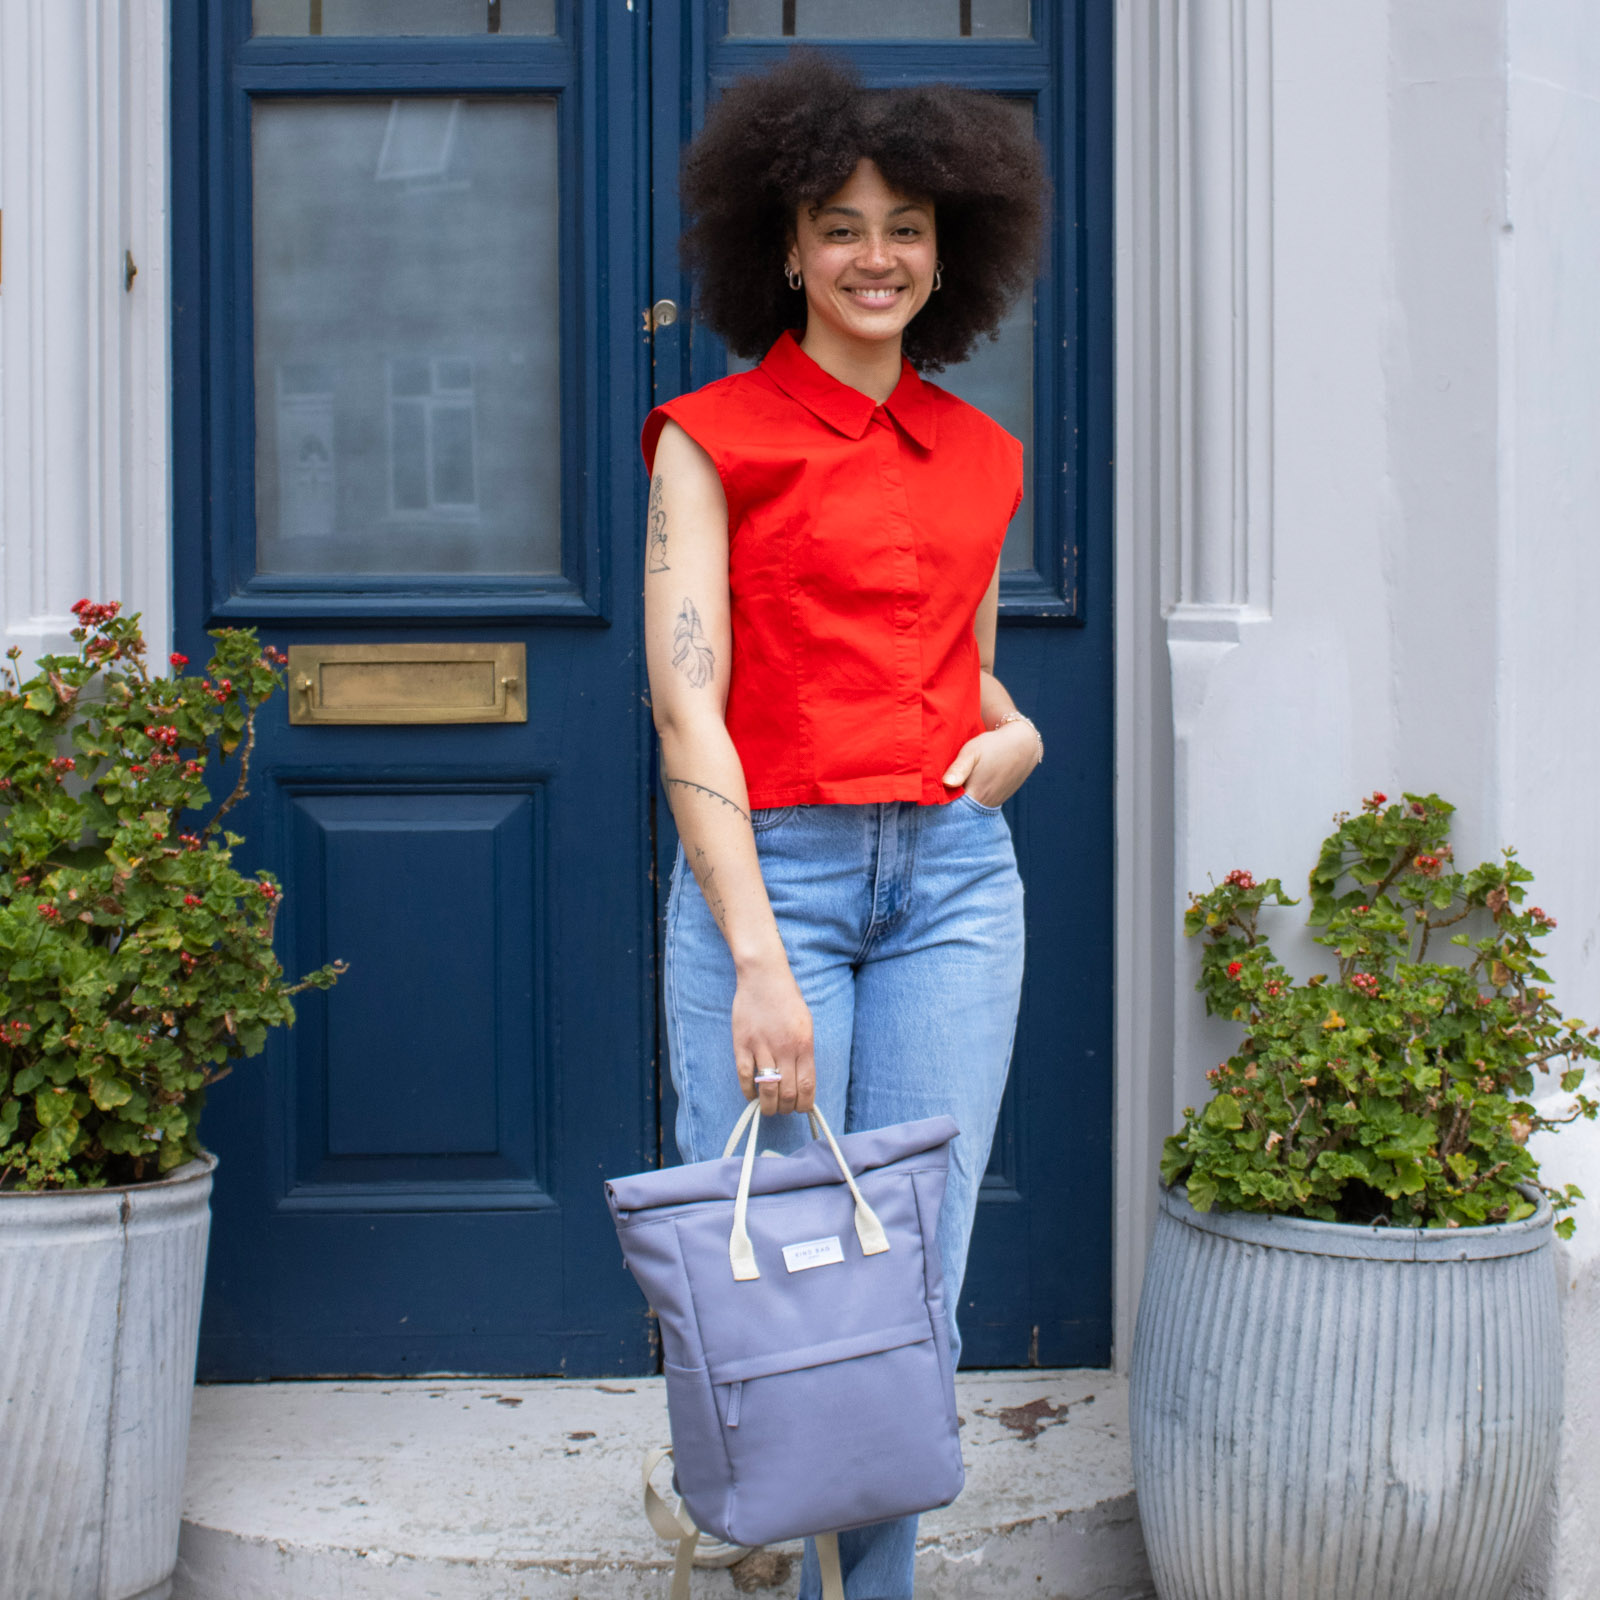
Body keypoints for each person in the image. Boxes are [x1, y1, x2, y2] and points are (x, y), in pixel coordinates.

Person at [641, 50, 1048, 1600]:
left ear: (949, 253)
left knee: (912, 1298)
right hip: (780, 883)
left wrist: (1017, 730)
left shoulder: (983, 454)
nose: (875, 255)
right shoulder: (712, 435)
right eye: (839, 224)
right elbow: (691, 709)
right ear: (785, 247)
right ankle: (750, 1528)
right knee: (767, 1294)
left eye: (906, 227)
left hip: (953, 883)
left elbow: (962, 650)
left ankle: (861, 1589)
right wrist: (755, 957)